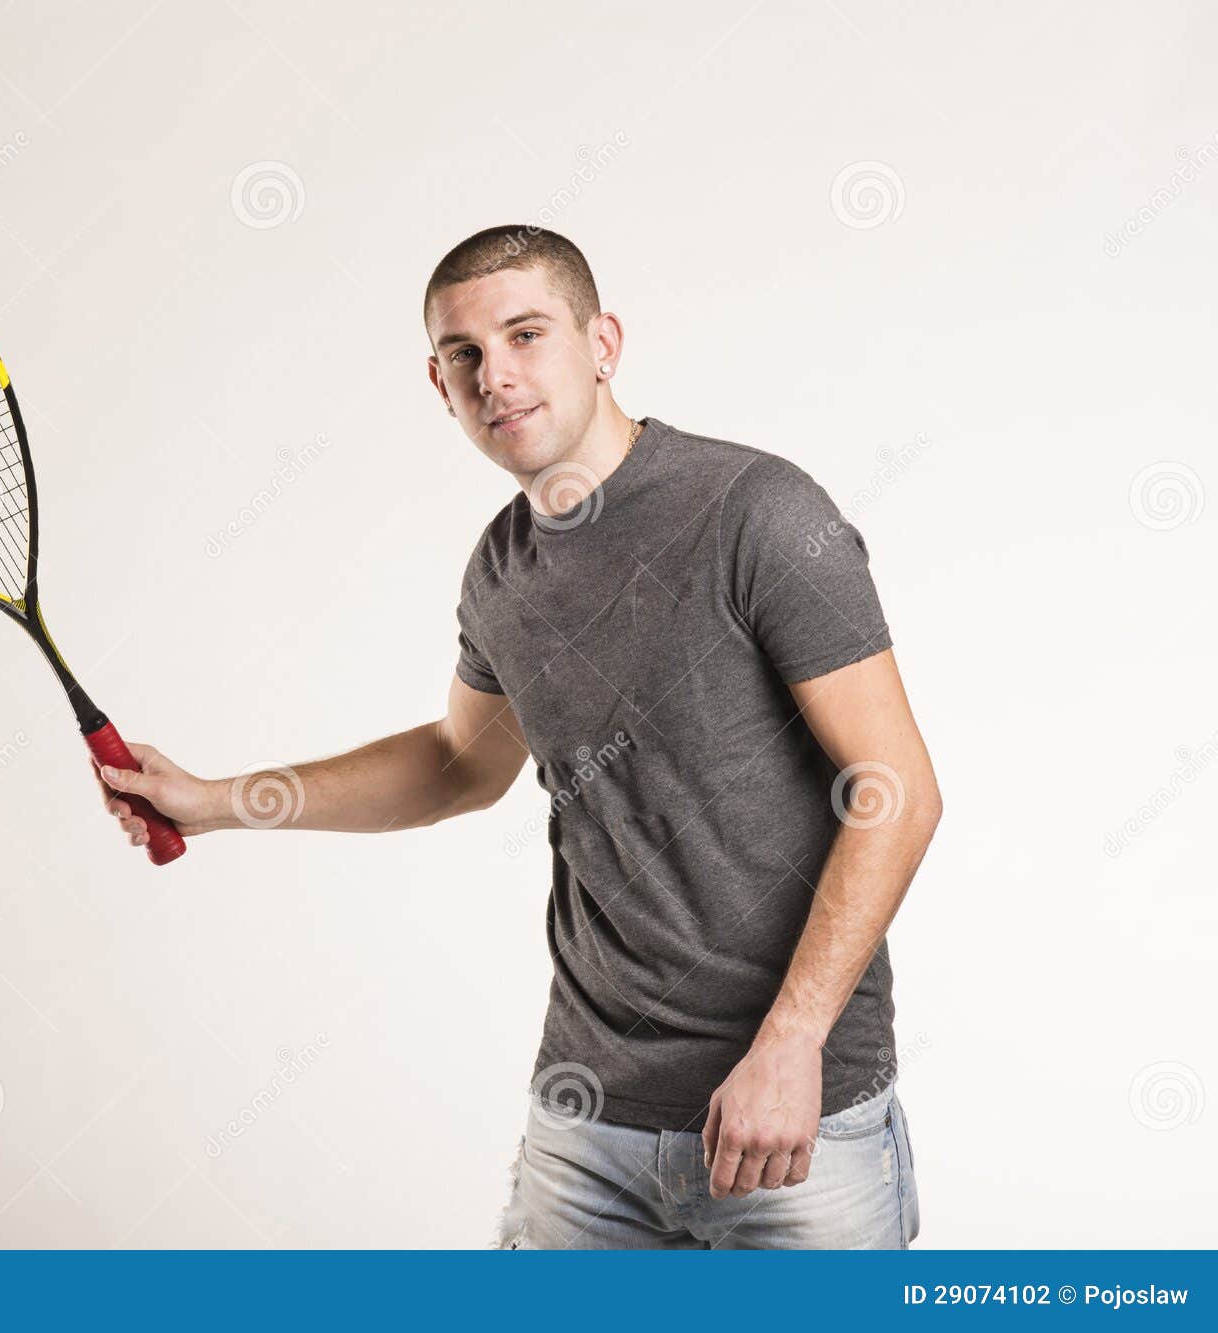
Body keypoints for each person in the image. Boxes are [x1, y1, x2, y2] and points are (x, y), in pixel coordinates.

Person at [95, 225, 942, 1250]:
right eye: (464, 354)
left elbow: (894, 787)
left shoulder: (755, 511)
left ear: (602, 343)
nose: (495, 374)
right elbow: (457, 763)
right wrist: (216, 798)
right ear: (438, 383)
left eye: (525, 333)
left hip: (792, 1117)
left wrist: (792, 1039)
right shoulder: (501, 572)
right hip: (587, 1122)